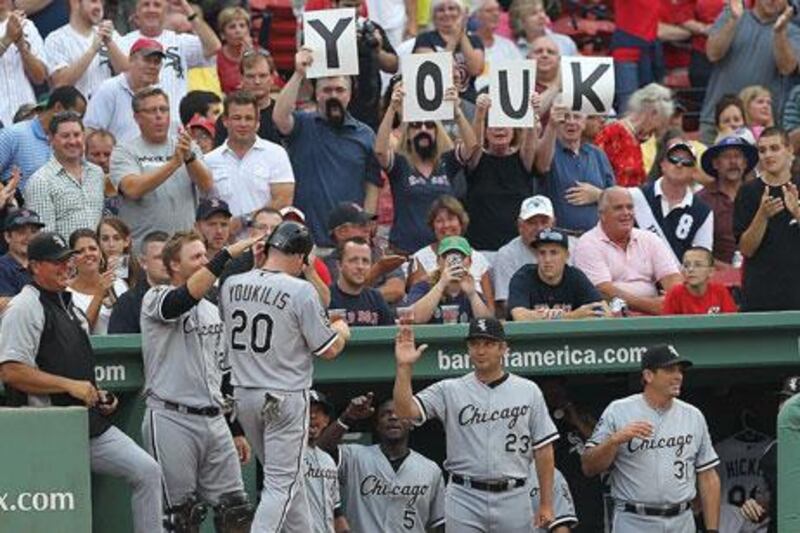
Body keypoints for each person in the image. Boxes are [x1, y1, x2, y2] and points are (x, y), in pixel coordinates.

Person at [0, 231, 164, 533]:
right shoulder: (24, 306)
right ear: (35, 266)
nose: (66, 267)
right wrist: (69, 386)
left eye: (67, 260)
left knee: (147, 471)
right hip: (46, 430)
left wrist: (96, 393)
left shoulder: (69, 305)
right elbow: (11, 371)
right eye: (56, 262)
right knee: (58, 513)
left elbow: (71, 365)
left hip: (86, 426)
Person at [219, 221, 351, 532]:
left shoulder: (231, 284)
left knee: (291, 482)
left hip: (244, 394)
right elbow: (329, 350)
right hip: (283, 396)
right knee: (282, 485)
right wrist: (341, 331)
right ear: (303, 258)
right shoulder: (300, 289)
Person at [393, 317, 559, 532]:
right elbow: (404, 411)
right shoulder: (450, 389)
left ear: (503, 349)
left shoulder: (528, 390)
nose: (480, 351)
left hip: (514, 495)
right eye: (475, 344)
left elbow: (544, 449)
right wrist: (404, 367)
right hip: (465, 495)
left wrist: (546, 503)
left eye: (488, 344)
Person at [140, 229, 256, 532]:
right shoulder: (156, 296)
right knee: (181, 517)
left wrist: (236, 428)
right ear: (174, 265)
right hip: (172, 417)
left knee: (236, 511)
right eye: (196, 256)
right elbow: (180, 301)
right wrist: (224, 258)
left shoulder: (213, 309)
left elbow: (225, 372)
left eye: (205, 255)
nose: (204, 261)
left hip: (215, 419)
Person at [581, 344, 721, 533]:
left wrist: (712, 530)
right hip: (635, 520)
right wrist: (614, 440)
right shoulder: (619, 410)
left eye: (680, 370)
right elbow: (589, 466)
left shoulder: (693, 415)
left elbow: (708, 475)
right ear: (648, 376)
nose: (678, 376)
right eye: (670, 370)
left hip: (682, 520)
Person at [273, 48, 383, 247]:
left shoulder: (365, 135)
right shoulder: (301, 124)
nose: (333, 95)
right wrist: (299, 73)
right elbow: (279, 117)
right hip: (306, 240)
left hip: (348, 242)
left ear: (350, 94)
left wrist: (367, 221)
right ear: (316, 94)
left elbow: (372, 182)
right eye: (327, 90)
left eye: (340, 90)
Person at [316, 393, 446, 533]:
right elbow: (320, 451)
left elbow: (439, 524)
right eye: (386, 414)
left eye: (400, 413)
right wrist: (347, 417)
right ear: (377, 425)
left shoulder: (430, 469)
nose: (393, 417)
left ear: (411, 424)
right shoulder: (354, 456)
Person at [374, 82, 474, 255]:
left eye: (429, 125)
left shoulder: (446, 162)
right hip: (405, 251)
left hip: (443, 250)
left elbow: (472, 146)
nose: (423, 129)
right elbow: (380, 151)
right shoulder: (400, 164)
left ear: (437, 132)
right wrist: (392, 108)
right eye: (416, 126)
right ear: (409, 134)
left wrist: (457, 112)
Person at [110, 86, 213, 246]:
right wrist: (173, 164)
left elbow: (207, 185)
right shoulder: (125, 151)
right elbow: (132, 189)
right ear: (137, 117)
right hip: (144, 251)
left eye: (163, 109)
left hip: (184, 248)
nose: (159, 116)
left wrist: (189, 158)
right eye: (151, 111)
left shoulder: (186, 145)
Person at [700, 0, 800, 143]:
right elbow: (712, 53)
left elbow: (787, 68)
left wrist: (780, 33)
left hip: (760, 126)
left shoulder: (792, 31)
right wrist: (733, 20)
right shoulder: (732, 15)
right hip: (717, 119)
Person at [574, 187, 682, 315]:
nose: (626, 213)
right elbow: (603, 291)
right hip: (612, 319)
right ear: (602, 214)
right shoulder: (588, 243)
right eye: (618, 208)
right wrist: (651, 306)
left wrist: (673, 299)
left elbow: (673, 279)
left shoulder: (650, 239)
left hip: (655, 317)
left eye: (630, 207)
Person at [734, 126, 800, 311]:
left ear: (789, 150)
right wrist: (762, 215)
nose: (768, 155)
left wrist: (797, 213)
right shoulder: (748, 192)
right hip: (759, 297)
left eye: (774, 148)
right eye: (762, 150)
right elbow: (746, 249)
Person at [205, 90, 295, 225]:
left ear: (258, 122)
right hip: (225, 243)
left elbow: (283, 200)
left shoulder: (276, 154)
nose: (243, 124)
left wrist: (243, 222)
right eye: (237, 118)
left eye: (249, 118)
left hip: (266, 241)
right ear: (225, 121)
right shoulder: (209, 161)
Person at [466, 92, 541, 253]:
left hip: (517, 249)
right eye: (493, 124)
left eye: (505, 124)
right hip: (482, 248)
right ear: (486, 131)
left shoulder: (523, 159)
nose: (499, 128)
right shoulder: (476, 159)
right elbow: (474, 144)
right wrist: (479, 113)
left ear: (514, 130)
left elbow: (529, 142)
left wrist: (531, 109)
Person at [119, 0, 221, 115]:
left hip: (176, 122)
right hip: (137, 120)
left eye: (157, 5)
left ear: (165, 11)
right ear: (136, 12)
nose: (151, 9)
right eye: (146, 5)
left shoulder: (179, 41)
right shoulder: (122, 43)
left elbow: (214, 47)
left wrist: (188, 10)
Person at [24, 111, 105, 241]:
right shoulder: (40, 181)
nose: (72, 141)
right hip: (62, 260)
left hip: (96, 258)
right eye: (65, 136)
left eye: (77, 135)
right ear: (51, 138)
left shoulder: (97, 173)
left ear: (83, 137)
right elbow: (44, 239)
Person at [630, 140, 714, 263]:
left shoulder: (703, 212)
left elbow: (701, 258)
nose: (679, 164)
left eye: (686, 162)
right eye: (673, 159)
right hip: (633, 275)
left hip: (676, 280)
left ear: (694, 171)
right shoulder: (634, 196)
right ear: (662, 164)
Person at [536, 105, 616, 233]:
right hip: (557, 239)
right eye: (565, 118)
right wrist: (550, 126)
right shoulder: (547, 149)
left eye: (577, 117)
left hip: (595, 238)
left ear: (584, 123)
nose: (571, 122)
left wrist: (599, 195)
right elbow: (542, 165)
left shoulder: (597, 154)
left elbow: (616, 198)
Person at [493, 195, 571, 317]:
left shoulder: (571, 247)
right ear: (520, 225)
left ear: (554, 223)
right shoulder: (506, 254)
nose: (539, 228)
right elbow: (506, 305)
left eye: (544, 222)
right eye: (532, 223)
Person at [508, 228, 608, 321]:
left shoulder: (575, 276)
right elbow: (519, 315)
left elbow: (605, 311)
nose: (547, 259)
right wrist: (571, 316)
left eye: (554, 253)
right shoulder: (523, 276)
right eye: (542, 253)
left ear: (567, 256)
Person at [409, 195, 494, 302]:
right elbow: (414, 303)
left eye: (451, 219)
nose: (446, 225)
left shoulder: (479, 258)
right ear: (433, 225)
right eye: (439, 221)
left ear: (461, 222)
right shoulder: (420, 257)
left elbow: (490, 306)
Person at [0, 85, 87, 188]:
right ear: (58, 107)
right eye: (75, 116)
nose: (77, 122)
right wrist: (9, 198)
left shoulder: (73, 145)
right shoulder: (14, 135)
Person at [83, 37, 167, 142]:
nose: (152, 66)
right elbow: (90, 132)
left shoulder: (158, 95)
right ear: (131, 59)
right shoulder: (109, 89)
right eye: (147, 60)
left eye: (157, 62)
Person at [595, 83, 674, 188]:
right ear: (653, 113)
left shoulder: (639, 140)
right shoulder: (612, 133)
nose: (659, 130)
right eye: (661, 122)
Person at [45, 0, 128, 100]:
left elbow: (128, 74)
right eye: (94, 1)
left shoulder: (112, 35)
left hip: (106, 110)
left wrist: (110, 43)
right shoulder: (56, 39)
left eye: (101, 2)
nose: (99, 6)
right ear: (75, 2)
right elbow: (61, 83)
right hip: (74, 113)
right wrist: (92, 50)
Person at [698, 135, 759, 264]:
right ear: (715, 163)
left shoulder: (759, 196)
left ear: (745, 163)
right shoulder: (701, 200)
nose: (733, 162)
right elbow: (696, 249)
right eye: (726, 156)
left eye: (737, 156)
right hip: (715, 275)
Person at [407, 235, 493, 324]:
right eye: (447, 257)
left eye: (460, 257)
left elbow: (487, 325)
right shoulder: (423, 286)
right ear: (438, 261)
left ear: (470, 262)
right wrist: (441, 284)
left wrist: (472, 295)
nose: (454, 263)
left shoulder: (472, 290)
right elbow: (416, 319)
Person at [414, 0, 485, 103]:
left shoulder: (474, 40)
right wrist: (454, 39)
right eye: (440, 10)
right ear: (433, 16)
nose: (447, 13)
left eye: (452, 9)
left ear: (461, 14)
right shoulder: (424, 39)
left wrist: (461, 33)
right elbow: (434, 72)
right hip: (437, 101)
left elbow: (476, 69)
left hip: (468, 101)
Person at [214, 49, 283, 146]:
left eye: (262, 76)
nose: (257, 81)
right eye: (250, 76)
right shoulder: (228, 119)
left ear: (272, 78)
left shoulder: (283, 117)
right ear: (241, 79)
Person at [67, 228, 128, 335]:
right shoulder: (65, 293)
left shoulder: (118, 284)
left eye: (93, 249)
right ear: (72, 259)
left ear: (100, 253)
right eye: (80, 251)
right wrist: (100, 294)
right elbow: (80, 333)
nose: (88, 254)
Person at [304, 390, 349, 533]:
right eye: (306, 410)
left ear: (326, 421)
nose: (312, 415)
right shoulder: (287, 454)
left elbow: (336, 510)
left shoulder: (328, 460)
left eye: (318, 412)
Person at [108, 230, 169, 334]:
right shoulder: (127, 304)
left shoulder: (189, 295)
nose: (166, 262)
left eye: (169, 256)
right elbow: (119, 346)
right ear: (143, 262)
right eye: (159, 257)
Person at [0, 0, 49, 128]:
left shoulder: (26, 25)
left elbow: (40, 77)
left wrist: (22, 46)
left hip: (26, 114)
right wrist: (7, 39)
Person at [329, 237, 395, 327]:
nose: (360, 266)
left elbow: (391, 334)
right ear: (339, 265)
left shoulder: (376, 298)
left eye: (365, 261)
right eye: (353, 260)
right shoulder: (327, 298)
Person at [662, 246, 737, 314]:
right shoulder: (675, 294)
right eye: (686, 265)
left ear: (711, 271)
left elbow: (732, 322)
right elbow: (666, 325)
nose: (690, 269)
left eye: (698, 265)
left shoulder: (720, 291)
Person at [473, 0, 523, 92]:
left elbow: (521, 75)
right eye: (489, 11)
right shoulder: (466, 43)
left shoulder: (508, 46)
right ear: (476, 15)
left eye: (498, 10)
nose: (495, 14)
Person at [0, 207, 43, 310]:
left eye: (34, 232)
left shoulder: (46, 264)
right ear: (7, 237)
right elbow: (3, 305)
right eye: (21, 232)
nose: (29, 237)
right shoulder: (2, 268)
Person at [510, 0, 578, 58]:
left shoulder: (565, 42)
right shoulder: (513, 50)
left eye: (542, 11)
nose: (542, 16)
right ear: (521, 21)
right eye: (534, 13)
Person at [215, 6, 255, 95]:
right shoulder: (216, 58)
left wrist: (249, 56)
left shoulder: (261, 54)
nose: (238, 31)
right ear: (222, 35)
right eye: (232, 27)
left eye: (242, 26)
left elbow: (276, 83)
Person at [97, 215, 141, 289]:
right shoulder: (91, 269)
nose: (111, 244)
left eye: (117, 238)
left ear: (126, 241)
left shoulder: (139, 270)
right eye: (105, 239)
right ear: (98, 242)